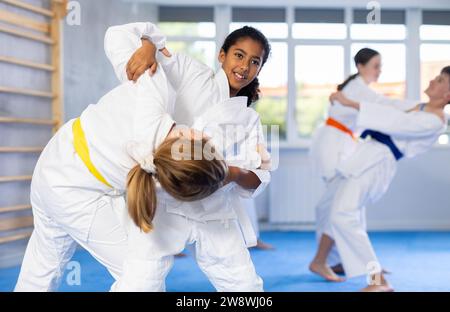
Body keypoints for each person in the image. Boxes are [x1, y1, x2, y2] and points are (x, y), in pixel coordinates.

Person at [14, 66, 230, 291]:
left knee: (42, 268)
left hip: (55, 159)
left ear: (196, 136)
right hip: (70, 188)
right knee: (142, 274)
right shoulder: (158, 172)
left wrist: (147, 43)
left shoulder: (154, 100)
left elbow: (150, 68)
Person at [104, 22, 273, 291]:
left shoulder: (248, 120)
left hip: (214, 208)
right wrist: (149, 44)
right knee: (140, 284)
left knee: (245, 287)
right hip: (162, 199)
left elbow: (260, 178)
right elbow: (118, 35)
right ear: (222, 55)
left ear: (259, 69)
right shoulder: (188, 71)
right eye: (238, 55)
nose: (244, 66)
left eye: (255, 61)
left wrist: (232, 173)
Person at [322, 66, 450, 291]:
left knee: (343, 214)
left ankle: (378, 279)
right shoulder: (419, 106)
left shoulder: (435, 121)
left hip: (377, 163)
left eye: (440, 80)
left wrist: (349, 102)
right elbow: (385, 105)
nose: (433, 80)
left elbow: (392, 120)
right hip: (366, 155)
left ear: (447, 95)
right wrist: (348, 98)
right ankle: (329, 262)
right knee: (340, 210)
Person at [309, 48, 418, 281]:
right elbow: (384, 105)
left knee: (345, 203)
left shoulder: (359, 89)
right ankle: (327, 261)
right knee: (338, 204)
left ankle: (344, 260)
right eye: (376, 65)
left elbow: (381, 105)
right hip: (335, 146)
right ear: (360, 66)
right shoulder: (359, 89)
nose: (380, 71)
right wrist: (421, 106)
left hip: (343, 144)